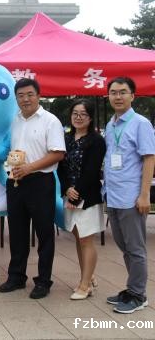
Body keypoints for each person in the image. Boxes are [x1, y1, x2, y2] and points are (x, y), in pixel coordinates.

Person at [0, 78, 65, 299]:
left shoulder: (50, 121)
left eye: (29, 94)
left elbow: (58, 153)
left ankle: (43, 281)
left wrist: (29, 168)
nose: (25, 99)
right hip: (15, 180)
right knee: (17, 231)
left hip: (40, 181)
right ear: (16, 98)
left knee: (44, 233)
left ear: (38, 95)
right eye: (21, 95)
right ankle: (16, 276)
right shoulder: (13, 120)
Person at [103, 77, 155, 314]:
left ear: (133, 96)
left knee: (135, 248)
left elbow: (149, 158)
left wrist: (144, 195)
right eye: (113, 92)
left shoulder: (141, 123)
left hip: (131, 197)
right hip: (113, 195)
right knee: (124, 246)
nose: (118, 96)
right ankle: (132, 288)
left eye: (123, 92)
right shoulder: (111, 125)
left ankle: (138, 294)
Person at [56, 99, 106, 300]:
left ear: (90, 118)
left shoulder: (96, 141)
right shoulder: (66, 139)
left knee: (86, 239)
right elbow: (60, 166)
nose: (78, 117)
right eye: (75, 113)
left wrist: (76, 194)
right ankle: (88, 275)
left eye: (83, 114)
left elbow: (92, 171)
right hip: (69, 194)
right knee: (78, 237)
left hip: (87, 197)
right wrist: (67, 188)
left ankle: (85, 286)